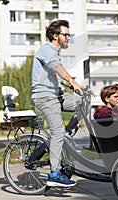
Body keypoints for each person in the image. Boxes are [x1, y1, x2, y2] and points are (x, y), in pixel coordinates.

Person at [31, 20, 82, 188]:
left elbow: (59, 77)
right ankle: (54, 173)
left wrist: (79, 87)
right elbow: (57, 68)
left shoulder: (54, 53)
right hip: (45, 96)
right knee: (57, 130)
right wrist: (72, 81)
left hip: (56, 95)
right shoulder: (47, 49)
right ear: (55, 36)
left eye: (69, 35)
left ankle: (65, 137)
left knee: (83, 102)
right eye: (65, 35)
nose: (68, 37)